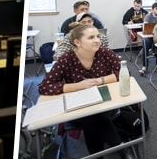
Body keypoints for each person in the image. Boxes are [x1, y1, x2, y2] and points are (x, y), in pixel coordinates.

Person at [38, 24, 131, 159]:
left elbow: (125, 72)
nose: (97, 40)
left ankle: (102, 154)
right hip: (79, 108)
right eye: (91, 37)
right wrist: (78, 86)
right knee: (91, 116)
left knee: (92, 118)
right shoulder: (67, 58)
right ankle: (122, 148)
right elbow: (44, 86)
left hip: (105, 102)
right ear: (77, 42)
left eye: (98, 36)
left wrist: (100, 81)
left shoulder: (104, 52)